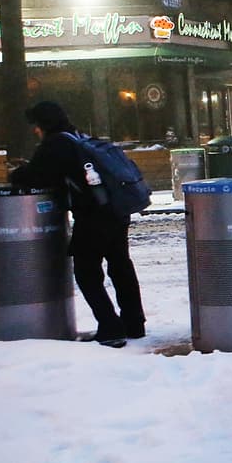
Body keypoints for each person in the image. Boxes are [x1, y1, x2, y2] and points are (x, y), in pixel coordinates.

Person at [9, 101, 146, 348]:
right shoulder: (79, 136)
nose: (35, 131)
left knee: (86, 271)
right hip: (115, 209)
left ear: (43, 124)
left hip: (92, 215)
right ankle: (134, 323)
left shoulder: (56, 144)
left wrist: (15, 173)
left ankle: (110, 327)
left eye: (36, 126)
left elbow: (35, 176)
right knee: (120, 265)